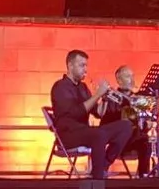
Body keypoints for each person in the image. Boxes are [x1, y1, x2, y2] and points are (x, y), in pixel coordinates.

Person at [49, 49, 133, 179]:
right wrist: (98, 94)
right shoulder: (60, 87)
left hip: (86, 132)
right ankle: (97, 178)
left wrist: (104, 98)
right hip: (68, 135)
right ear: (70, 65)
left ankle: (103, 166)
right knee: (98, 134)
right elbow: (76, 113)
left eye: (86, 65)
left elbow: (99, 113)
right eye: (82, 65)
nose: (85, 69)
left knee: (126, 126)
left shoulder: (83, 87)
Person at [99, 64, 159, 177]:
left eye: (132, 76)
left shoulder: (139, 99)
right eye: (128, 76)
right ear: (119, 80)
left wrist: (152, 116)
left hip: (141, 139)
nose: (132, 80)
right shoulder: (112, 99)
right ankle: (143, 177)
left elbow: (145, 127)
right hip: (124, 143)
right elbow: (106, 125)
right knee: (145, 144)